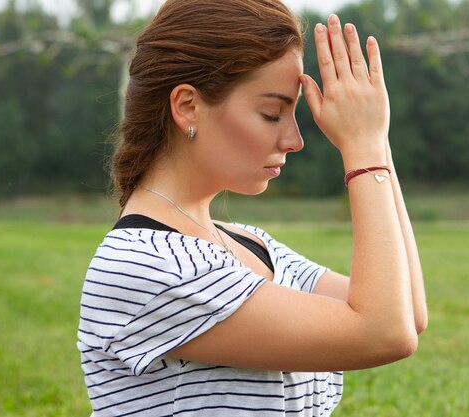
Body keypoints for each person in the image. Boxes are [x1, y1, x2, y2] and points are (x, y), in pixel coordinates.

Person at [77, 0, 428, 415]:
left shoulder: (248, 243)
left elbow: (407, 311)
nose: (294, 139)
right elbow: (383, 333)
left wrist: (377, 141)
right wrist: (363, 147)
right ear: (188, 106)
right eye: (271, 113)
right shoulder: (143, 264)